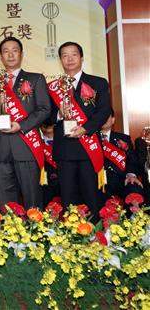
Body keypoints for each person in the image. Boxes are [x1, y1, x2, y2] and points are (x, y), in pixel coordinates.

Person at [48, 41, 111, 218]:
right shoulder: (53, 86)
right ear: (60, 60)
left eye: (74, 54)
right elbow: (46, 116)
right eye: (65, 55)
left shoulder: (97, 82)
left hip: (89, 148)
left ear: (81, 58)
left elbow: (104, 111)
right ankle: (70, 233)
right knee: (68, 198)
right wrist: (59, 114)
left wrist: (85, 128)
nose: (69, 59)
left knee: (92, 197)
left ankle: (95, 231)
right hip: (65, 150)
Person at [0, 37, 50, 210]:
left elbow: (45, 109)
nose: (10, 55)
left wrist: (21, 125)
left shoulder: (35, 79)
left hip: (27, 147)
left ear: (21, 54)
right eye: (6, 51)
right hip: (2, 150)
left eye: (14, 50)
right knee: (6, 203)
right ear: (1, 56)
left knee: (32, 199)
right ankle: (9, 228)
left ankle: (34, 227)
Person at [99, 111, 144, 204]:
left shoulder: (123, 138)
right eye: (100, 116)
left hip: (121, 179)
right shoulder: (90, 139)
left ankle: (135, 213)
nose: (103, 118)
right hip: (98, 181)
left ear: (113, 120)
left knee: (134, 187)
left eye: (106, 116)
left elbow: (132, 160)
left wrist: (131, 175)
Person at [40, 121, 60, 207]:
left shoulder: (63, 141)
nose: (47, 127)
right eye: (44, 125)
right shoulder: (38, 142)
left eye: (50, 125)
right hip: (45, 181)